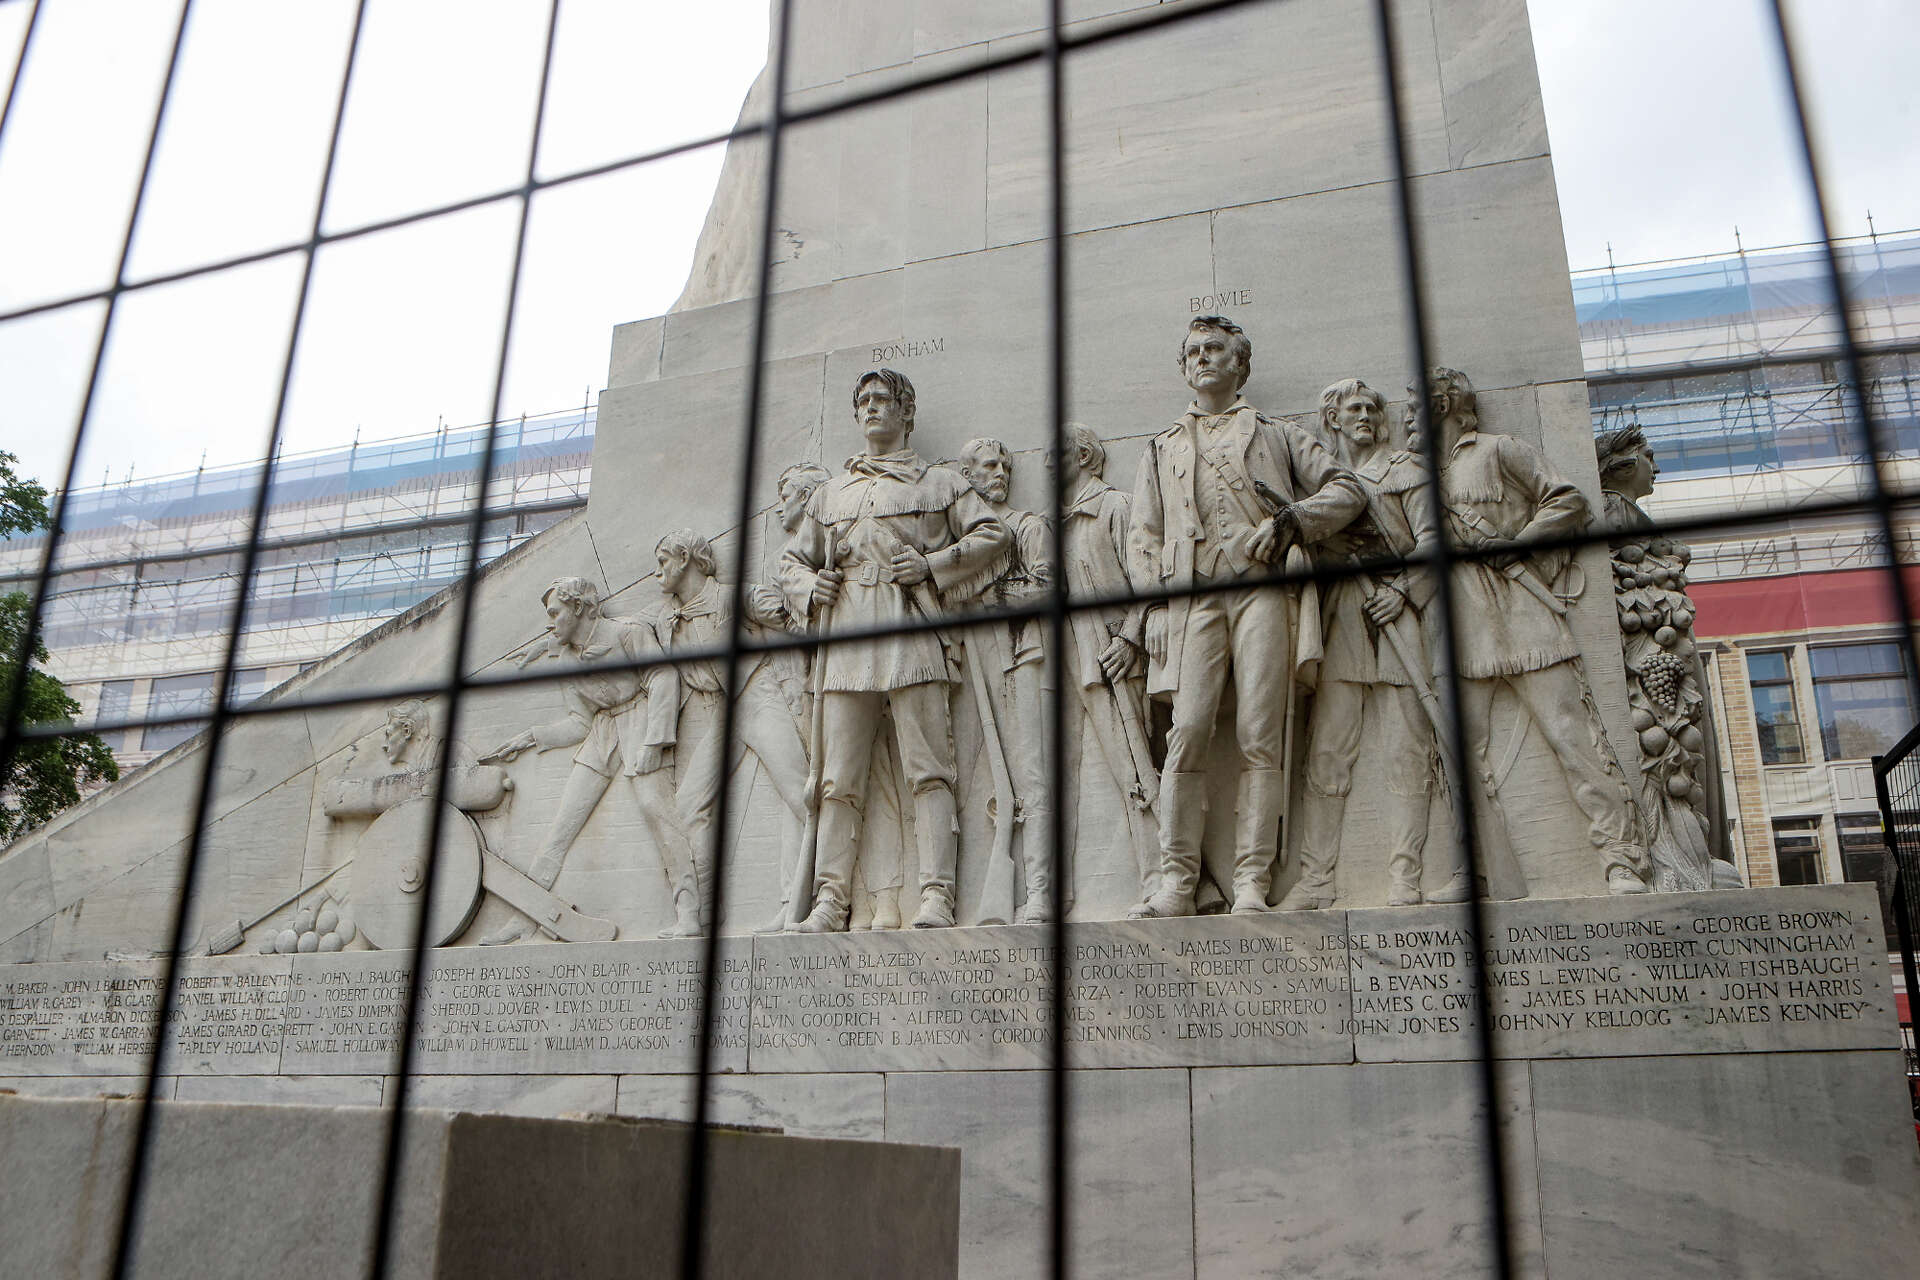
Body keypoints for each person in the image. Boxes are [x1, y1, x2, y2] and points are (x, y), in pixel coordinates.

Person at [1128, 316, 1365, 917]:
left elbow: (1348, 489)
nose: (1203, 358)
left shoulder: (1277, 435)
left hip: (1262, 591)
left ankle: (1252, 879)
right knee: (1186, 734)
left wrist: (1291, 520)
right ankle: (1176, 881)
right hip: (1193, 600)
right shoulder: (1162, 446)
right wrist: (1152, 605)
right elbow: (1143, 538)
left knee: (1261, 733)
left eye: (1216, 350)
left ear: (1240, 364)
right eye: (1193, 352)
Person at [778, 369, 1009, 931]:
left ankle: (937, 894)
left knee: (930, 771)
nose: (872, 408)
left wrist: (931, 565)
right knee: (837, 780)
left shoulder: (940, 483)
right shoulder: (832, 493)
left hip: (912, 635)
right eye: (864, 401)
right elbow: (790, 563)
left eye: (884, 400)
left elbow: (993, 534)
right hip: (847, 643)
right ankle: (831, 899)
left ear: (908, 413)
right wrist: (813, 587)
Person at [1420, 367, 1651, 895]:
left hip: (1524, 611)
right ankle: (1471, 869)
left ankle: (1621, 857)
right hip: (1461, 625)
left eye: (1421, 403)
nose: (1412, 414)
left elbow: (1568, 500)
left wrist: (1516, 542)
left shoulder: (1500, 449)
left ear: (1446, 403)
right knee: (1454, 752)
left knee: (1572, 736)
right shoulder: (1420, 473)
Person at [1286, 378, 1466, 908]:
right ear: (1332, 420)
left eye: (1371, 407)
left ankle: (1405, 878)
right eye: (1352, 408)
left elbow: (1436, 540)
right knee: (1327, 754)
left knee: (1408, 752)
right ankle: (1316, 880)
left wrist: (1406, 591)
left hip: (1400, 620)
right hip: (1345, 618)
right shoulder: (1324, 490)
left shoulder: (1406, 470)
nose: (1364, 415)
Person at [479, 575, 706, 941]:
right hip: (602, 733)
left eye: (555, 612)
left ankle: (688, 912)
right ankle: (525, 917)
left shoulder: (626, 633)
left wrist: (655, 741)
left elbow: (662, 677)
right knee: (559, 829)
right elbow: (579, 723)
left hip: (640, 721)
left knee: (658, 812)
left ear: (579, 608)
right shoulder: (566, 659)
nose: (550, 622)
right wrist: (531, 738)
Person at [649, 528, 812, 923]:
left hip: (759, 694)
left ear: (685, 557)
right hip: (727, 711)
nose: (658, 574)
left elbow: (793, 620)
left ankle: (798, 903)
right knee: (688, 806)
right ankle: (705, 916)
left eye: (662, 562)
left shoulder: (733, 596)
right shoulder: (670, 622)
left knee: (800, 796)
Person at [954, 436, 1057, 924]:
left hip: (1021, 653)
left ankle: (1038, 891)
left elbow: (1046, 589)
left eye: (1004, 465)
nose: (1000, 473)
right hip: (975, 658)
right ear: (967, 477)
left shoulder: (1027, 526)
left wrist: (985, 591)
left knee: (1031, 777)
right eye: (988, 466)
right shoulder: (960, 542)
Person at [1057, 423, 1160, 908]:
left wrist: (1130, 640)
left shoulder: (1114, 507)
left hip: (1120, 660)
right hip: (1085, 662)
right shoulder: (1061, 523)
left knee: (1142, 770)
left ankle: (1165, 877)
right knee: (1125, 775)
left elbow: (1147, 580)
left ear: (1082, 456)